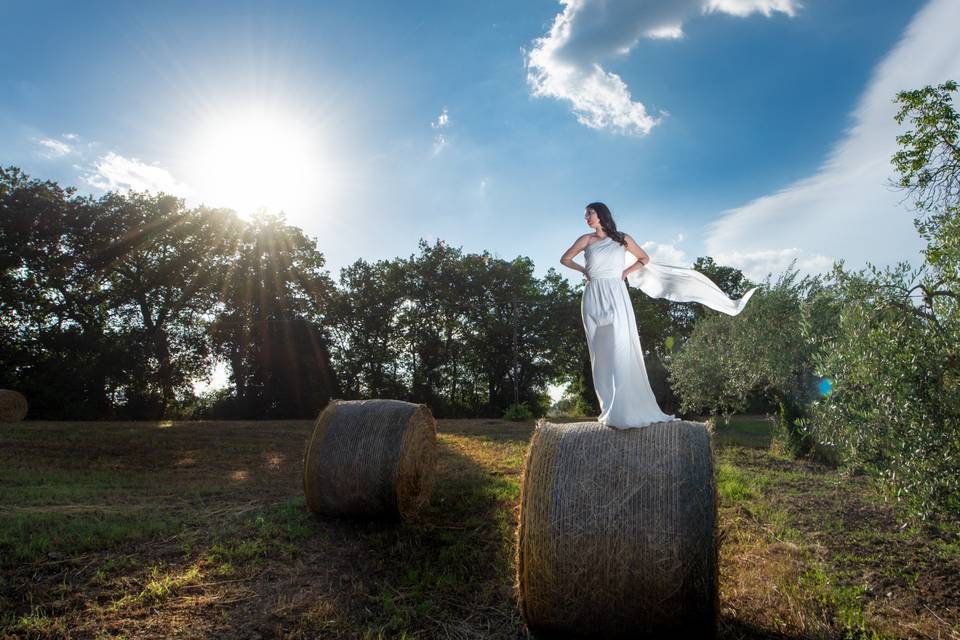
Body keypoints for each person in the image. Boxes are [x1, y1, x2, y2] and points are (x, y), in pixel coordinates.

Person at [560, 202, 757, 429]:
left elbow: (644, 259)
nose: (587, 218)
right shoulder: (586, 240)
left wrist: (624, 272)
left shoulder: (622, 239)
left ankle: (623, 408)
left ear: (601, 215)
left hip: (616, 293)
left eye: (590, 214)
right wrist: (586, 271)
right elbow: (565, 259)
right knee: (600, 353)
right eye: (585, 215)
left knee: (621, 348)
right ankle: (607, 407)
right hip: (593, 295)